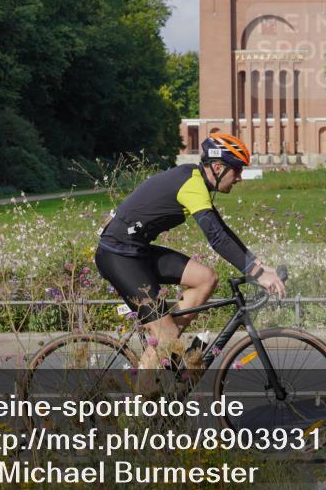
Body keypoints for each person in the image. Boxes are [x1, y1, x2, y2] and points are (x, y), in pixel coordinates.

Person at [94, 133, 285, 378]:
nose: (239, 178)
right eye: (237, 170)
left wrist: (260, 266)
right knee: (167, 335)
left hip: (135, 251)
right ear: (217, 167)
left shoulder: (194, 179)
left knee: (206, 278)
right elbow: (216, 237)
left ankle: (165, 345)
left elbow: (222, 229)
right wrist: (256, 273)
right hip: (118, 256)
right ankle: (138, 406)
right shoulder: (192, 184)